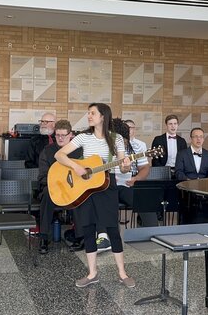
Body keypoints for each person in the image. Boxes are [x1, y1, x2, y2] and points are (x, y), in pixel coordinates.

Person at [54, 103, 135, 288]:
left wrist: (126, 164)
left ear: (103, 117)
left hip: (108, 186)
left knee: (112, 228)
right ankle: (92, 273)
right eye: (88, 113)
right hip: (86, 188)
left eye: (92, 113)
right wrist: (76, 166)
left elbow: (122, 167)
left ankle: (122, 273)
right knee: (88, 227)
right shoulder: (83, 137)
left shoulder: (116, 139)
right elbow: (60, 155)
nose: (89, 116)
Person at [37, 120, 82, 254]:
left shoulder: (79, 151)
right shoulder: (47, 151)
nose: (60, 138)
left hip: (74, 188)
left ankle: (80, 236)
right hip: (53, 188)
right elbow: (42, 176)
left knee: (80, 196)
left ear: (71, 135)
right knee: (46, 194)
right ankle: (44, 237)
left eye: (63, 135)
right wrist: (58, 183)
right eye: (57, 135)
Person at [110, 119, 156, 228]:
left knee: (144, 202)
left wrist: (136, 178)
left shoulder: (138, 146)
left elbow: (145, 167)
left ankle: (153, 233)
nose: (121, 145)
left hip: (128, 184)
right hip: (108, 186)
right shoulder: (104, 147)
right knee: (106, 205)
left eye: (124, 142)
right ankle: (108, 237)